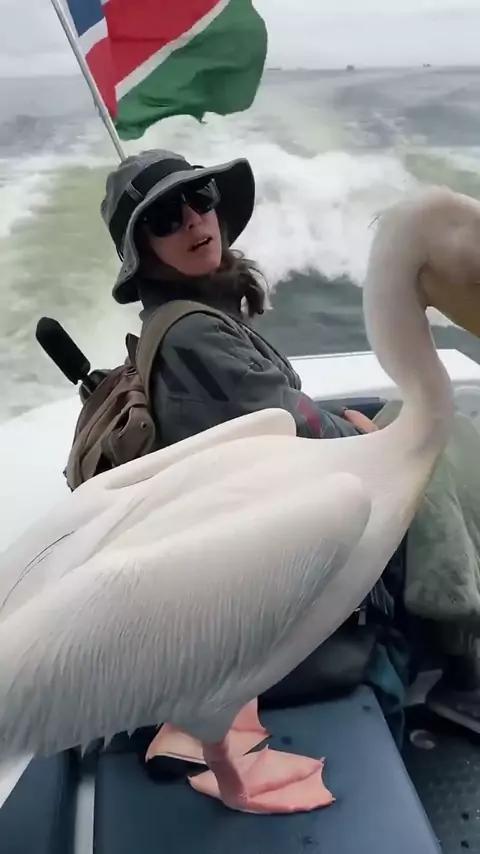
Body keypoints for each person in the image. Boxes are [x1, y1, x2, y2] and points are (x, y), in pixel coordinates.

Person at [100, 148, 480, 734]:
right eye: (165, 219)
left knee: (415, 422)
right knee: (430, 446)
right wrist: (372, 436)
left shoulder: (196, 314)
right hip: (281, 536)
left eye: (199, 199)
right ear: (145, 251)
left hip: (276, 494)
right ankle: (460, 660)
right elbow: (295, 428)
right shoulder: (193, 334)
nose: (193, 220)